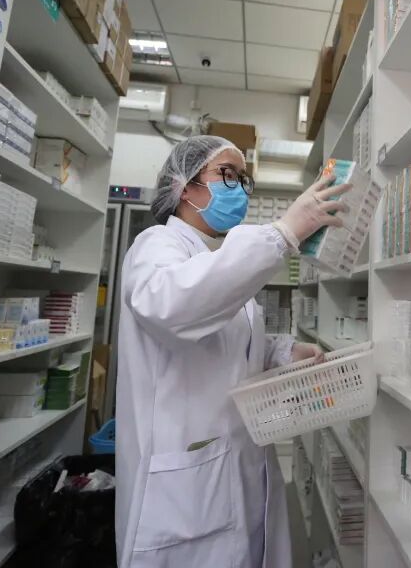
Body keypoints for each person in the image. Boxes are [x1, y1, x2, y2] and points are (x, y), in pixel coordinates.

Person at [115, 135, 350, 568]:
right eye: (227, 174)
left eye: (243, 180)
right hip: (186, 484)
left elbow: (227, 343)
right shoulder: (156, 245)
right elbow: (171, 307)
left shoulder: (214, 257)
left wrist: (283, 351)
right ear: (184, 185)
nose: (239, 189)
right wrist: (282, 233)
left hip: (237, 462)